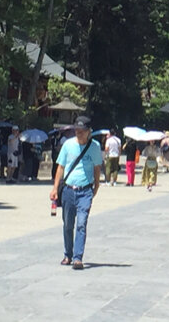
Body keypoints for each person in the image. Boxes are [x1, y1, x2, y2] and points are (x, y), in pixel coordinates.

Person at [50, 116, 102, 270]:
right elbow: (60, 167)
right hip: (68, 189)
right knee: (68, 224)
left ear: (88, 132)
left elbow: (97, 168)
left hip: (85, 190)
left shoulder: (95, 146)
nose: (79, 133)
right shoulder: (68, 145)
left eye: (82, 131)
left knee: (81, 223)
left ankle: (78, 257)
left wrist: (96, 186)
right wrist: (55, 188)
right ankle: (68, 254)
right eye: (77, 131)